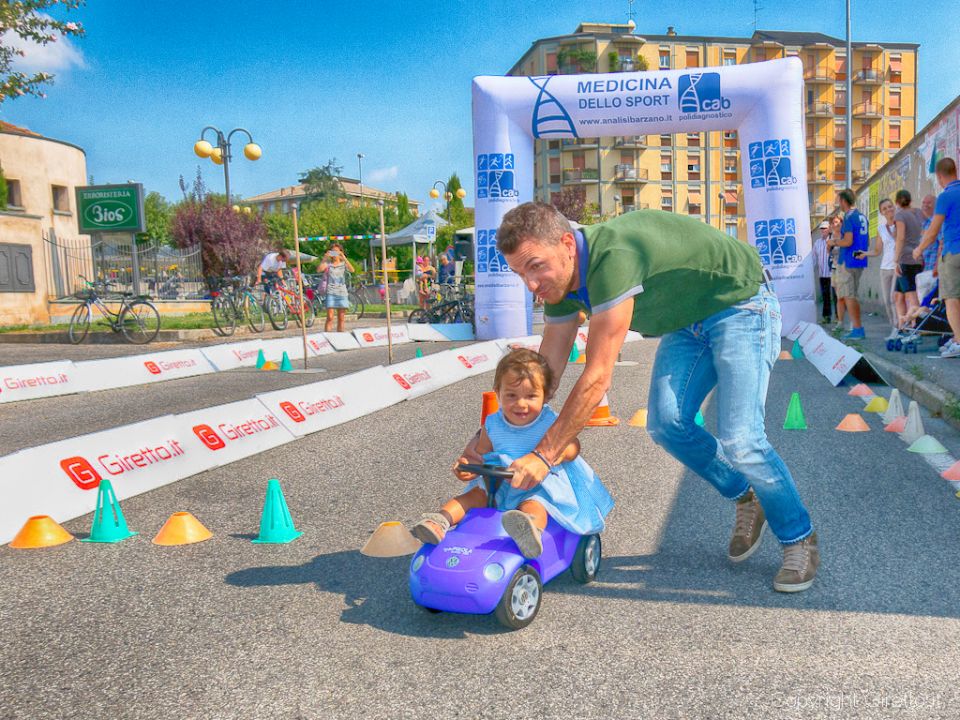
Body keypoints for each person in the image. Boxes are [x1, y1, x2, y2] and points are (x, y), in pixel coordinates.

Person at [471, 202, 817, 593]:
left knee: (742, 439)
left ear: (568, 244)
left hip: (742, 303)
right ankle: (745, 494)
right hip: (688, 323)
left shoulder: (613, 257)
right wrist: (491, 437)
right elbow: (541, 377)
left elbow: (597, 378)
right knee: (667, 425)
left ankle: (798, 538)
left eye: (535, 266)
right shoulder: (559, 282)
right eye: (520, 274)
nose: (531, 285)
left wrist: (543, 455)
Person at [411, 349, 614, 558]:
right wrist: (466, 466)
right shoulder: (493, 423)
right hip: (498, 484)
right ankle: (439, 521)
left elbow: (572, 447)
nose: (521, 404)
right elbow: (480, 455)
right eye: (511, 395)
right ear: (498, 392)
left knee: (534, 505)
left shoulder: (549, 422)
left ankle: (529, 531)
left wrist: (562, 452)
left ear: (545, 395)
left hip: (538, 485)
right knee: (472, 496)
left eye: (531, 396)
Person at [914, 158, 960, 357]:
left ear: (940, 176)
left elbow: (933, 231)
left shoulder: (946, 196)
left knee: (951, 299)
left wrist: (919, 250)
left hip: (953, 252)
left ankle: (958, 341)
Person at [829, 189, 869, 339]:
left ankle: (857, 329)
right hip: (859, 259)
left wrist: (833, 241)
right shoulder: (862, 216)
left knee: (848, 295)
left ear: (843, 201)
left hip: (848, 261)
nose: (838, 204)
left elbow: (848, 241)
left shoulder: (849, 218)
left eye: (839, 201)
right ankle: (856, 327)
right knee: (852, 295)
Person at [862, 198, 898, 338]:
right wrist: (865, 253)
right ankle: (894, 327)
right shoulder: (881, 229)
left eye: (890, 207)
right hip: (885, 268)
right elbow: (877, 250)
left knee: (894, 298)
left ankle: (900, 327)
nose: (888, 210)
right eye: (885, 209)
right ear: (882, 213)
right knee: (887, 301)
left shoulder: (901, 224)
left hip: (898, 267)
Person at [892, 189, 925, 330]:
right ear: (910, 200)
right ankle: (902, 324)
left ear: (897, 202)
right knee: (898, 295)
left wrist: (896, 260)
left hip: (905, 259)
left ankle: (916, 325)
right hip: (918, 257)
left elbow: (900, 237)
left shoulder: (900, 215)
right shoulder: (918, 212)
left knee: (911, 296)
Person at [317, 243, 355, 333]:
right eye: (333, 252)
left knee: (341, 318)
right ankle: (327, 336)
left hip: (342, 292)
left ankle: (340, 336)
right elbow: (319, 269)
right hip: (331, 292)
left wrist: (343, 257)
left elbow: (352, 270)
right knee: (330, 317)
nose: (335, 254)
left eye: (336, 252)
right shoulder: (328, 264)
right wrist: (325, 258)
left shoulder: (343, 264)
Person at [812, 221, 833, 323]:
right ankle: (826, 317)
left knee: (837, 296)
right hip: (822, 274)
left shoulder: (833, 241)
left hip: (833, 273)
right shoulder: (817, 243)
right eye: (822, 228)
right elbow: (814, 258)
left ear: (829, 229)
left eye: (825, 228)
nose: (823, 230)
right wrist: (810, 270)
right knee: (825, 296)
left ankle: (839, 318)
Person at [828, 215, 846, 328]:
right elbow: (828, 251)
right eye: (834, 222)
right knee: (838, 296)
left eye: (838, 222)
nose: (837, 224)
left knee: (846, 296)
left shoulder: (845, 236)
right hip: (834, 269)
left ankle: (848, 321)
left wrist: (835, 243)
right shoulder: (830, 237)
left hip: (845, 268)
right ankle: (840, 321)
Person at [920, 194, 943, 275]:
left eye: (929, 202)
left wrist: (937, 267)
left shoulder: (937, 222)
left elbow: (942, 244)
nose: (925, 205)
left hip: (935, 270)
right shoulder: (925, 224)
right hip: (926, 268)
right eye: (923, 202)